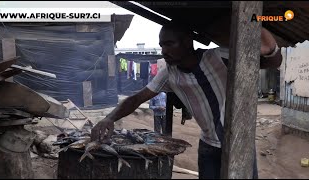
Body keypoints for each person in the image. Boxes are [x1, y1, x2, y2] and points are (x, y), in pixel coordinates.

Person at [91, 20, 282, 179]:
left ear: (188, 42)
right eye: (162, 45)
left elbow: (272, 62)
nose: (164, 51)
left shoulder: (218, 56)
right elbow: (136, 99)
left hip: (239, 145)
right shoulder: (169, 74)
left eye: (169, 44)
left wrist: (267, 43)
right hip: (208, 146)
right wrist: (110, 118)